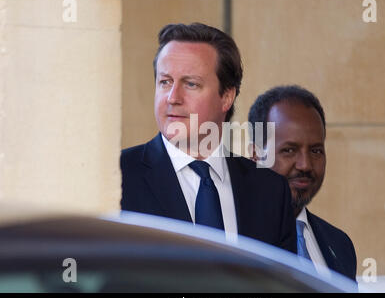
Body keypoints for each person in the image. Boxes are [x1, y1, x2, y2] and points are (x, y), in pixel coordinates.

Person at [121, 23, 295, 252]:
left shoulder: (271, 191)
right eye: (165, 82)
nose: (173, 98)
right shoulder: (117, 177)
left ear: (227, 97)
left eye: (190, 84)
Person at [248, 85, 357, 280]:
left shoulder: (340, 245)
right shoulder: (232, 238)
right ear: (256, 155)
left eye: (315, 151)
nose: (305, 165)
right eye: (289, 150)